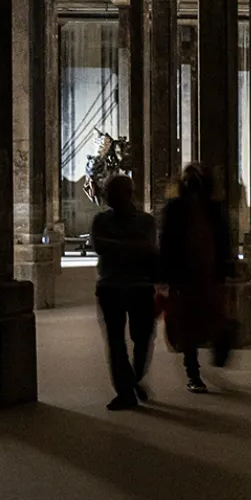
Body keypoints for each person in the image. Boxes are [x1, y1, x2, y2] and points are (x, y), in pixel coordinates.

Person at [159, 163, 233, 393]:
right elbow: (166, 244)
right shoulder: (176, 209)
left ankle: (211, 356)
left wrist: (224, 269)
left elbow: (223, 242)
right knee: (189, 326)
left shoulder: (212, 209)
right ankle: (193, 372)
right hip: (186, 277)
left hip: (206, 275)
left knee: (210, 320)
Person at [91, 174, 158, 411]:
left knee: (142, 340)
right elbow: (99, 246)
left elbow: (148, 249)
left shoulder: (145, 221)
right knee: (117, 343)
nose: (106, 195)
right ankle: (126, 391)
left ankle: (132, 380)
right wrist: (133, 247)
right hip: (112, 288)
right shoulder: (101, 221)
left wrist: (117, 245)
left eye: (110, 191)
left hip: (137, 286)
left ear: (127, 194)